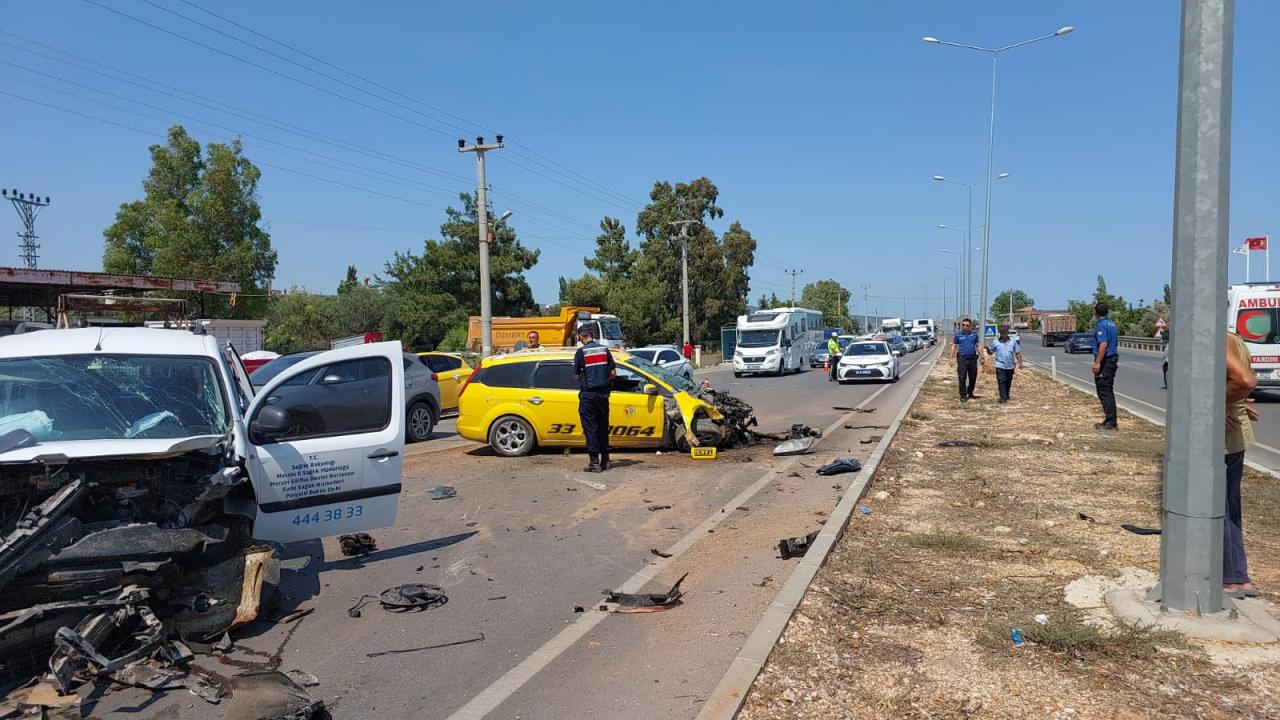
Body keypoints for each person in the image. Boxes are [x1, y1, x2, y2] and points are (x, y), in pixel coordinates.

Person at [1224, 332, 1259, 598]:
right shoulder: (1234, 339)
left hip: (1222, 436)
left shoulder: (1216, 339)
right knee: (1230, 506)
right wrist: (1237, 399)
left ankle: (1229, 579)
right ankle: (1239, 576)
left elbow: (1245, 380)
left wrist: (1215, 403)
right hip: (1236, 434)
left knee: (1217, 507)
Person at [572, 327, 616, 473]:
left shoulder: (581, 352)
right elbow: (613, 373)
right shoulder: (604, 350)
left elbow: (576, 375)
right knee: (603, 426)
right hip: (603, 395)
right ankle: (606, 460)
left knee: (590, 428)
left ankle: (594, 462)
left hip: (588, 395)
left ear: (581, 337)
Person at [1091, 302, 1120, 430]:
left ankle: (1111, 422)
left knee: (1104, 390)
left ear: (1096, 313)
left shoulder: (1101, 325)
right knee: (1106, 390)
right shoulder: (1112, 324)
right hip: (1111, 359)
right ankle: (1109, 419)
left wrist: (1097, 362)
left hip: (1106, 361)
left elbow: (1103, 344)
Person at [986, 325, 1024, 403]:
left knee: (1008, 381)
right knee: (1001, 381)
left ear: (1007, 332)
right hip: (1000, 365)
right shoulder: (995, 342)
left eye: (1004, 332)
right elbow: (990, 352)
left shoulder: (1013, 342)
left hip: (1010, 365)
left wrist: (1020, 363)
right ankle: (1003, 398)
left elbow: (1017, 353)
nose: (1003, 334)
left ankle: (1006, 395)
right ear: (1000, 333)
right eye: (1001, 332)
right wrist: (987, 349)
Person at [951, 318, 982, 401]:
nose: (965, 326)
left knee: (973, 377)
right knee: (962, 377)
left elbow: (978, 346)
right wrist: (951, 357)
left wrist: (982, 356)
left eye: (967, 325)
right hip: (962, 359)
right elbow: (954, 346)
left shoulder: (974, 335)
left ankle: (970, 392)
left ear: (970, 326)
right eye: (963, 325)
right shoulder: (958, 335)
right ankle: (963, 395)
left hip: (972, 359)